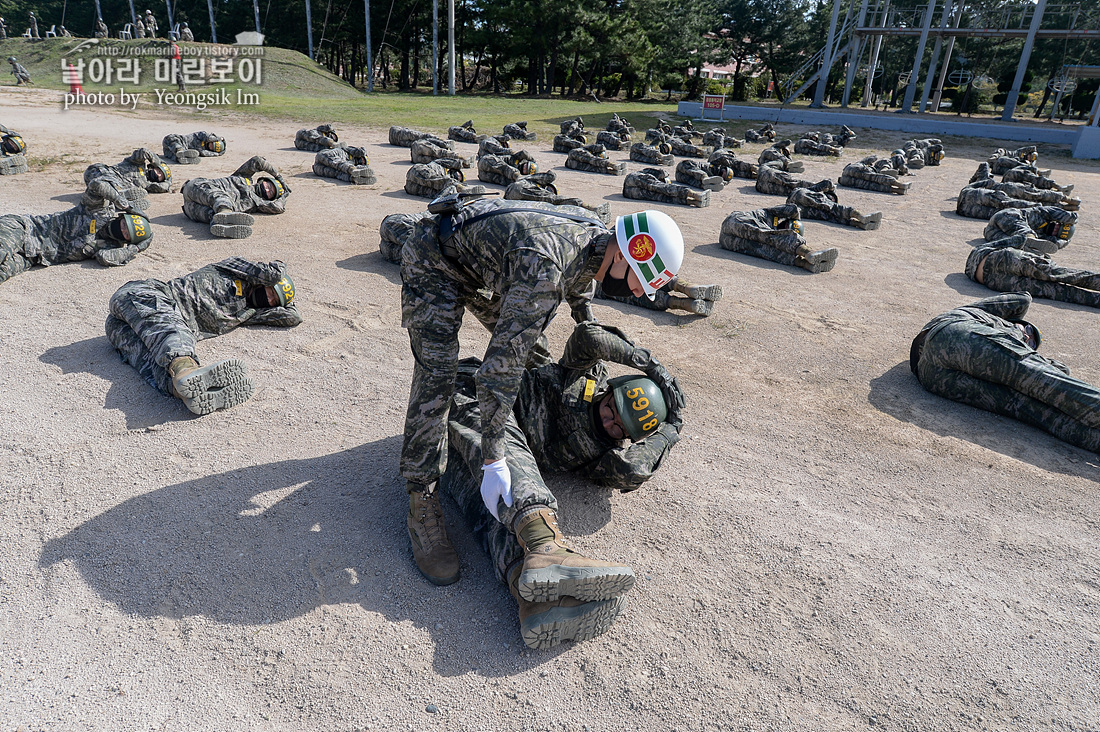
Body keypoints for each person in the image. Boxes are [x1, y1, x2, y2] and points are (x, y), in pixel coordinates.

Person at [397, 200, 685, 587]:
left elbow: (582, 301)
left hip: (487, 264)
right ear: (624, 253)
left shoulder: (593, 243)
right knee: (438, 375)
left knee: (534, 349)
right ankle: (421, 498)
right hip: (436, 259)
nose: (635, 291)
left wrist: (642, 366)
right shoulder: (547, 271)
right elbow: (498, 373)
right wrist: (495, 458)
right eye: (636, 279)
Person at [438, 322, 683, 648]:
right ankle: (546, 547)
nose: (609, 421)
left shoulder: (603, 456)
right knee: (505, 452)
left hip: (453, 455)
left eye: (618, 428)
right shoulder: (582, 375)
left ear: (626, 438)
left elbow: (633, 469)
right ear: (610, 389)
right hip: (474, 396)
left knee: (492, 503)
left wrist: (671, 428)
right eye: (612, 408)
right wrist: (651, 366)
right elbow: (589, 335)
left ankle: (533, 600)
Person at [911, 292, 1100, 454]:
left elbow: (1059, 369)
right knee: (1044, 380)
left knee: (1031, 409)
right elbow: (1023, 299)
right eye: (1027, 329)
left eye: (1032, 344)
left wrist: (1028, 349)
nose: (1027, 337)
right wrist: (1015, 328)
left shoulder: (1004, 339)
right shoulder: (979, 316)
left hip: (929, 374)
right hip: (951, 335)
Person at [106, 258, 300, 415]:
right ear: (265, 282)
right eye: (271, 291)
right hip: (145, 294)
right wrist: (279, 270)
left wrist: (286, 299)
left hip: (118, 327)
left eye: (275, 301)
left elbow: (292, 317)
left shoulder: (249, 313)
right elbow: (271, 272)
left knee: (149, 360)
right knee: (172, 330)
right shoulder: (231, 269)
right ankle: (184, 367)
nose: (269, 299)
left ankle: (183, 391)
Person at [1, 182, 153, 283]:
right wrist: (125, 204)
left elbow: (105, 258)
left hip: (32, 257)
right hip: (24, 229)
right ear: (122, 217)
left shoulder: (109, 246)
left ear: (127, 241)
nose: (122, 229)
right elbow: (96, 185)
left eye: (126, 233)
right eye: (124, 225)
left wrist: (137, 248)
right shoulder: (99, 211)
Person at [966, 238, 1100, 308]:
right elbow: (1016, 240)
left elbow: (1015, 240)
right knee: (1062, 275)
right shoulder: (982, 249)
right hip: (1000, 264)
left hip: (992, 280)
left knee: (1055, 291)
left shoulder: (977, 254)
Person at [180, 156, 290, 239]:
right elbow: (257, 161)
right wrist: (278, 176)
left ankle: (222, 224)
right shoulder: (244, 176)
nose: (267, 190)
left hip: (191, 210)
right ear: (263, 180)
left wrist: (284, 196)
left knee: (212, 215)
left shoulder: (258, 203)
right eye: (269, 186)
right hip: (197, 188)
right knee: (222, 198)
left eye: (271, 192)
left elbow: (278, 207)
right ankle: (225, 213)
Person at [719, 203, 838, 273]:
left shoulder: (774, 237)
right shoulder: (768, 214)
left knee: (765, 251)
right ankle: (808, 252)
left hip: (727, 241)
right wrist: (796, 219)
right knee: (766, 236)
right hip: (735, 221)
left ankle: (805, 263)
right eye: (787, 226)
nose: (785, 227)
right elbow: (793, 208)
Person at [503, 172, 611, 224]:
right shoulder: (532, 181)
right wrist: (550, 175)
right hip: (518, 189)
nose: (548, 193)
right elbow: (551, 176)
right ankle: (592, 208)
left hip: (509, 198)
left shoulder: (528, 184)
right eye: (549, 190)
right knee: (555, 200)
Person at [596, 276, 723, 317]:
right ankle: (682, 285)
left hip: (592, 285)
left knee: (628, 293)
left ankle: (678, 303)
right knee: (638, 276)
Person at [786, 186, 882, 230]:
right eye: (832, 198)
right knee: (832, 208)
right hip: (797, 195)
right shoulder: (813, 192)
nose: (832, 200)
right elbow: (826, 184)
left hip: (793, 208)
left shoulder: (818, 202)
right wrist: (830, 187)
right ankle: (860, 216)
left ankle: (857, 223)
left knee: (826, 216)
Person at [984, 206, 1076, 249]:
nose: (1055, 229)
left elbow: (1054, 245)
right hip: (1006, 217)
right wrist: (1072, 219)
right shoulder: (1044, 214)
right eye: (1058, 227)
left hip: (991, 232)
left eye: (1056, 232)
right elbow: (1070, 217)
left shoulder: (1043, 237)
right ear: (1059, 222)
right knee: (1023, 229)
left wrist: (1065, 241)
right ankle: (1029, 237)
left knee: (1013, 243)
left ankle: (1026, 244)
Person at [623, 168, 709, 208]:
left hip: (628, 193)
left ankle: (692, 201)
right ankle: (694, 195)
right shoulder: (651, 174)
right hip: (632, 180)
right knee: (661, 189)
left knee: (661, 197)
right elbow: (662, 178)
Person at [405, 159, 484, 198]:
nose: (458, 177)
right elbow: (447, 160)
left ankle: (461, 194)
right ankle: (462, 189)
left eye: (460, 179)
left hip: (412, 187)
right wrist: (461, 163)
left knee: (439, 193)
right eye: (458, 174)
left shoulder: (443, 183)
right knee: (438, 179)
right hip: (418, 171)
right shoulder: (440, 166)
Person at [838, 157, 910, 195]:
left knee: (870, 185)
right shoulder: (888, 160)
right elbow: (873, 158)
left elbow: (872, 158)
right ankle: (898, 185)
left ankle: (896, 189)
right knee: (873, 180)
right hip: (854, 170)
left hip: (845, 179)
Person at [756, 165, 835, 197]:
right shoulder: (765, 168)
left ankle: (818, 187)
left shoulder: (764, 169)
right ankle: (819, 186)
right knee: (794, 185)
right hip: (764, 182)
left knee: (792, 190)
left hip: (762, 187)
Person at [162, 130, 227, 165]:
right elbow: (208, 137)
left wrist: (218, 154)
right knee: (175, 142)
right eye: (212, 145)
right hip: (176, 140)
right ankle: (180, 151)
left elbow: (205, 153)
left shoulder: (203, 150)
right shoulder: (202, 135)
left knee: (175, 157)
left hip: (169, 152)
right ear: (213, 141)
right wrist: (220, 138)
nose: (211, 147)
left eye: (212, 148)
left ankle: (183, 158)